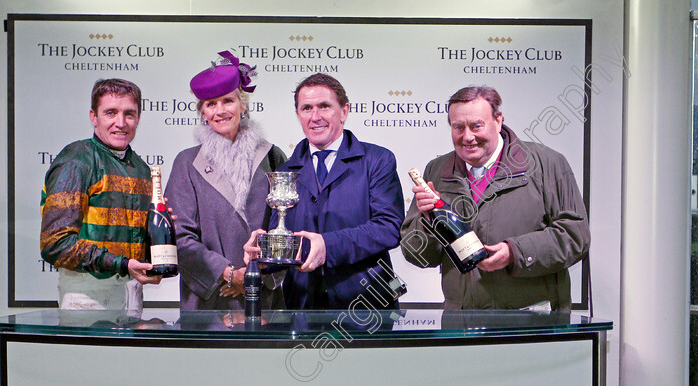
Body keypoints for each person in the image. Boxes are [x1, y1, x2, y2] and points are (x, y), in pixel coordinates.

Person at [400, 85, 590, 312]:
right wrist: (428, 221)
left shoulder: (547, 164)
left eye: (476, 126)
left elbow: (575, 237)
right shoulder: (437, 170)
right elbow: (418, 256)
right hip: (461, 324)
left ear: (498, 120)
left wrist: (515, 253)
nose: (467, 137)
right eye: (458, 127)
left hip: (532, 322)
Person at [247, 73, 404, 310]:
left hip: (366, 306)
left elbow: (388, 228)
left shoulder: (377, 160)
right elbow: (284, 237)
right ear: (298, 114)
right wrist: (263, 257)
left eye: (324, 106)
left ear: (344, 111)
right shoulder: (286, 170)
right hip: (301, 305)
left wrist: (327, 246)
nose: (315, 117)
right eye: (306, 108)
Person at [165, 51, 287, 310]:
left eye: (227, 101)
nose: (220, 111)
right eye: (211, 104)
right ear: (203, 113)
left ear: (243, 105)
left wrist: (261, 275)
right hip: (209, 298)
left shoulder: (274, 157)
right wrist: (230, 273)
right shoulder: (187, 163)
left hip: (265, 295)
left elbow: (286, 228)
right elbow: (179, 236)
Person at [40, 78, 162, 311]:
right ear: (93, 117)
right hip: (85, 296)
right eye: (110, 113)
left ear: (138, 118)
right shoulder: (76, 160)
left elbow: (134, 244)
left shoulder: (142, 169)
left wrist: (156, 238)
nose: (121, 122)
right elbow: (54, 244)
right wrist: (121, 264)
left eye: (129, 114)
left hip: (133, 295)